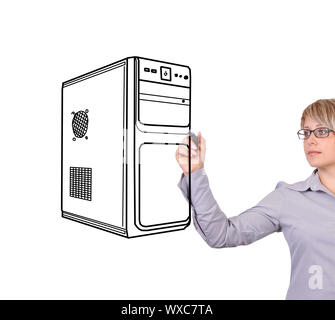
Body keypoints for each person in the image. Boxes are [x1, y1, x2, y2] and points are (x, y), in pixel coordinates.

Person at [175, 98, 335, 300]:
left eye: (321, 131)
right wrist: (195, 172)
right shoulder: (289, 199)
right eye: (306, 132)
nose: (310, 140)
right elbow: (221, 234)